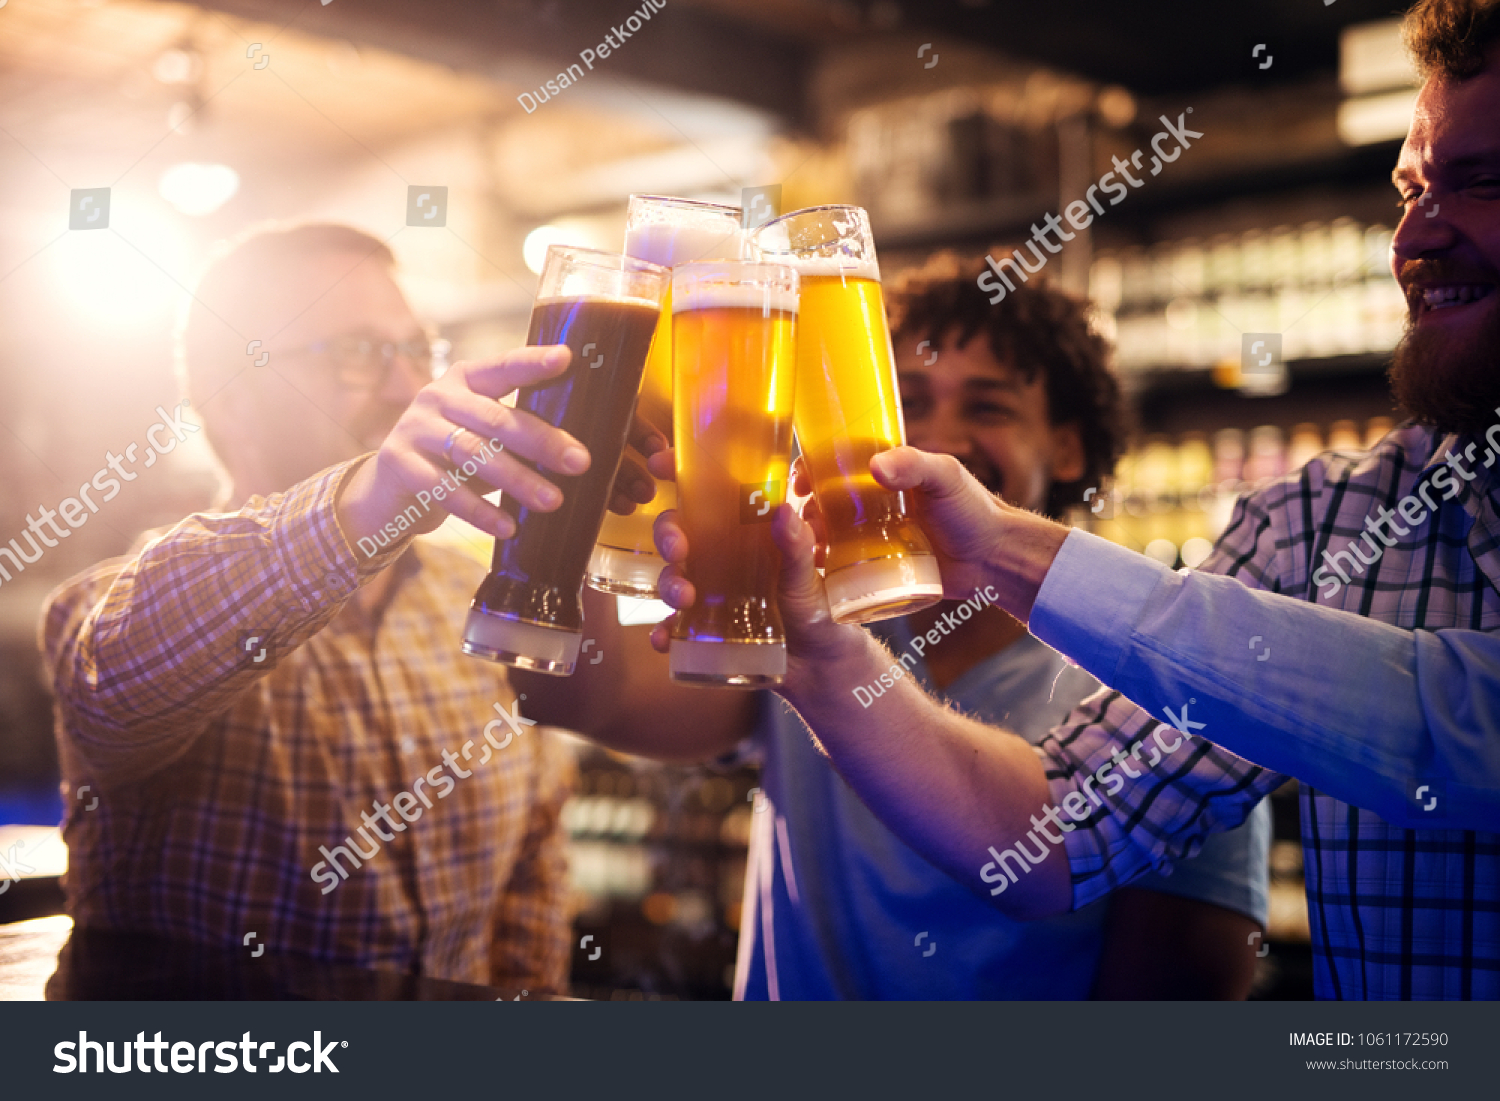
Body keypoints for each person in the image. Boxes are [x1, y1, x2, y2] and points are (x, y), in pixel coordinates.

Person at [652, 0, 1500, 1000]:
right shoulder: (1320, 531)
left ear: (1064, 441)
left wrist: (1010, 553)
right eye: (1407, 188)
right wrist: (817, 651)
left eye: (1479, 180)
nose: (1415, 232)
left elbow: (1453, 716)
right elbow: (1050, 838)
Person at [38, 223, 667, 990]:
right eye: (358, 353)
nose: (410, 388)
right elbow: (120, 675)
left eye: (416, 350)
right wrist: (369, 498)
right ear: (229, 398)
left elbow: (528, 903)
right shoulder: (114, 599)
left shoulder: (472, 601)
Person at [731, 256, 1269, 999]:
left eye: (987, 408)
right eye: (908, 401)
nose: (937, 441)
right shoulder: (802, 609)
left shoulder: (1150, 666)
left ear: (1069, 447)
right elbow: (594, 701)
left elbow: (1183, 985)